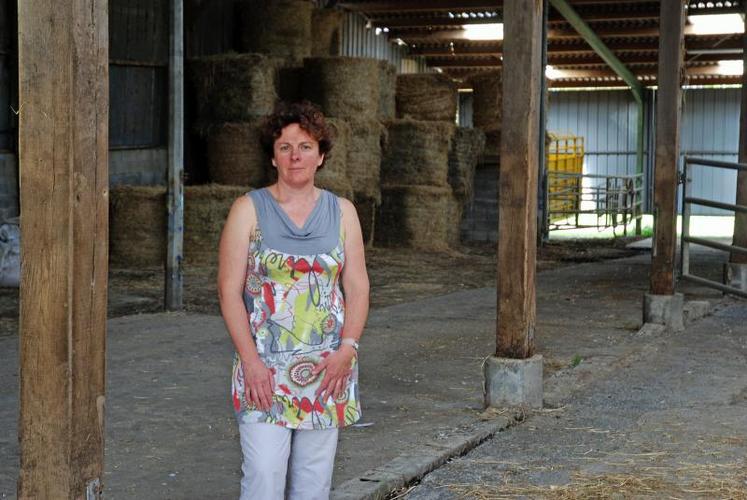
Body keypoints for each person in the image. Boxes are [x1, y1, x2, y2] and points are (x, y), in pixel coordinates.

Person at [218, 101, 369, 500]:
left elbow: (357, 286)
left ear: (321, 156)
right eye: (284, 147)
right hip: (263, 372)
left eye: (305, 146)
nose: (295, 155)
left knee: (313, 483)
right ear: (272, 156)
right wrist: (250, 362)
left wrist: (348, 350)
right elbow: (229, 291)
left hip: (327, 368)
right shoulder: (247, 210)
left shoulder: (343, 212)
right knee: (264, 477)